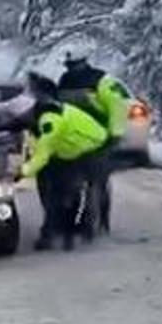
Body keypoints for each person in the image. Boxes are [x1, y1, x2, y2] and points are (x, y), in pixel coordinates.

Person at [10, 73, 110, 251]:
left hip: (90, 150)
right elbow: (21, 121)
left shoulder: (51, 121)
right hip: (66, 151)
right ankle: (56, 229)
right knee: (55, 193)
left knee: (77, 190)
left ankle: (83, 226)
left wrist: (22, 172)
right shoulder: (42, 109)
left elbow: (43, 153)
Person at [56, 50, 131, 233]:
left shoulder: (102, 81)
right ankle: (73, 220)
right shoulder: (64, 81)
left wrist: (114, 134)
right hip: (73, 140)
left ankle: (101, 220)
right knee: (69, 182)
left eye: (73, 65)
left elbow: (118, 106)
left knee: (97, 181)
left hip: (99, 139)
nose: (72, 69)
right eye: (69, 66)